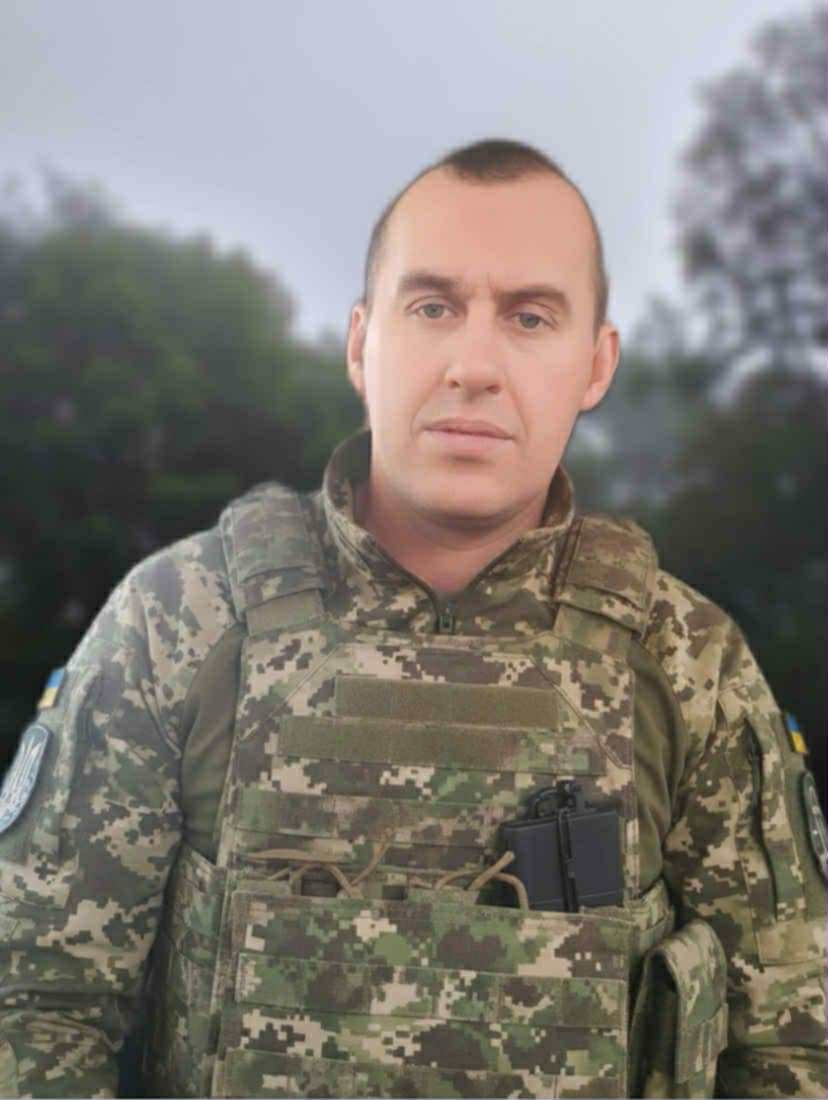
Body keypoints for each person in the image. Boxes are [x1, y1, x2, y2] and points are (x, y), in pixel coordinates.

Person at [0, 138, 825, 1099]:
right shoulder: (179, 622)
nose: (474, 366)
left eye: (530, 317)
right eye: (433, 307)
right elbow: (32, 1003)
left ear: (596, 364)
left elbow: (793, 1041)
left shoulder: (685, 661)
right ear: (361, 343)